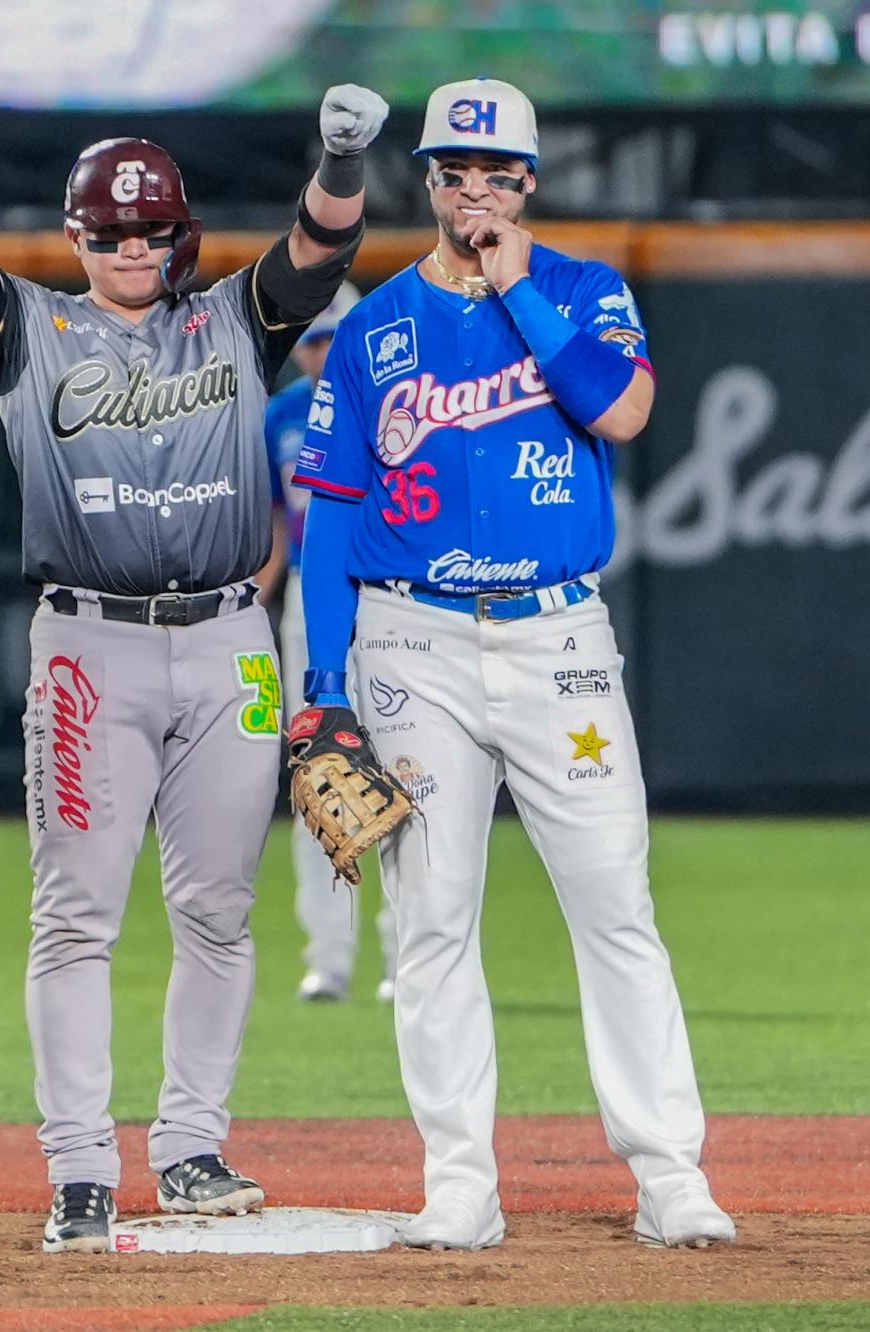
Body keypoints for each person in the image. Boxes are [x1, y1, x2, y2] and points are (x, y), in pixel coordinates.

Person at [0, 80, 385, 1254]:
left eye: (152, 229)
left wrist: (338, 159)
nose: (133, 246)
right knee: (75, 920)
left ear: (184, 236)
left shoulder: (233, 320)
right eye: (111, 232)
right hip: (87, 646)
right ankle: (79, 1167)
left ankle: (188, 1148)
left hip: (232, 641)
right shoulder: (29, 328)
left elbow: (320, 250)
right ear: (77, 239)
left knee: (218, 913)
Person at [289, 77, 736, 1252]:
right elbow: (330, 513)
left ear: (527, 183)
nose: (471, 190)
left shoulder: (585, 292)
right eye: (451, 171)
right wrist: (322, 687)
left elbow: (620, 411)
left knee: (613, 902)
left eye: (493, 174)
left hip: (555, 634)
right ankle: (458, 1183)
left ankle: (667, 1173)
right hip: (411, 638)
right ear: (426, 181)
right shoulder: (377, 326)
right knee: (430, 919)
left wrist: (518, 289)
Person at [262, 284, 399, 1004]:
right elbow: (274, 529)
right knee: (322, 777)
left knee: (406, 768)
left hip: (387, 601)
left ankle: (408, 953)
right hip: (310, 612)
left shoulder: (390, 403)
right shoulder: (280, 415)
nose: (320, 351)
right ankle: (331, 954)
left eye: (332, 336)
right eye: (310, 339)